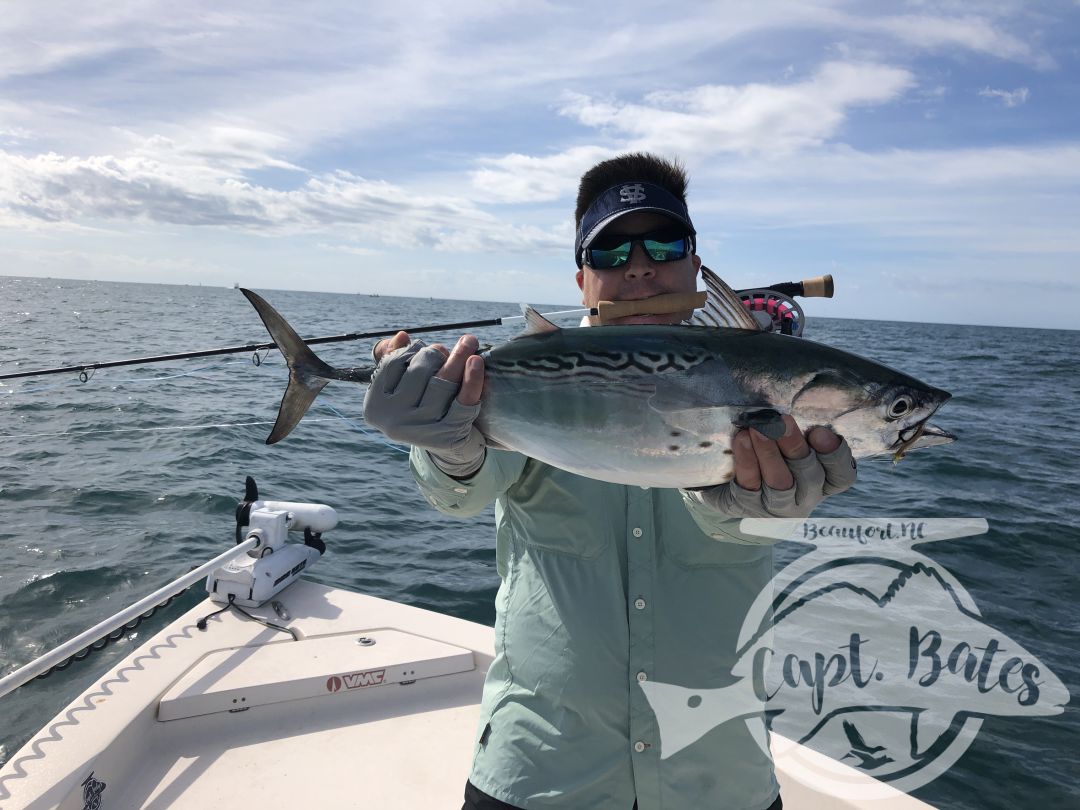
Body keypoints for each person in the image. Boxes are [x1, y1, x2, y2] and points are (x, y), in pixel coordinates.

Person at [363, 153, 857, 810]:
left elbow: (744, 525)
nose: (640, 267)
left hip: (717, 773)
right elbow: (468, 486)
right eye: (611, 252)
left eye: (663, 244)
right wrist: (442, 441)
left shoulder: (761, 385)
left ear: (695, 265)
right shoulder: (524, 371)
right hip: (541, 767)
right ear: (582, 279)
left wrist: (751, 505)